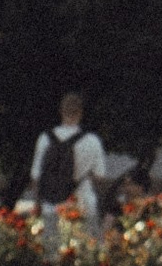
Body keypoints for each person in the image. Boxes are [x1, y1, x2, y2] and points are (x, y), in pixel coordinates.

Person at [28, 95, 106, 236]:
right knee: (86, 250)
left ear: (61, 111)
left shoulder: (45, 138)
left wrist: (38, 203)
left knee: (51, 251)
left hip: (51, 204)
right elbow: (100, 177)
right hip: (83, 203)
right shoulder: (92, 141)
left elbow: (35, 177)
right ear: (81, 113)